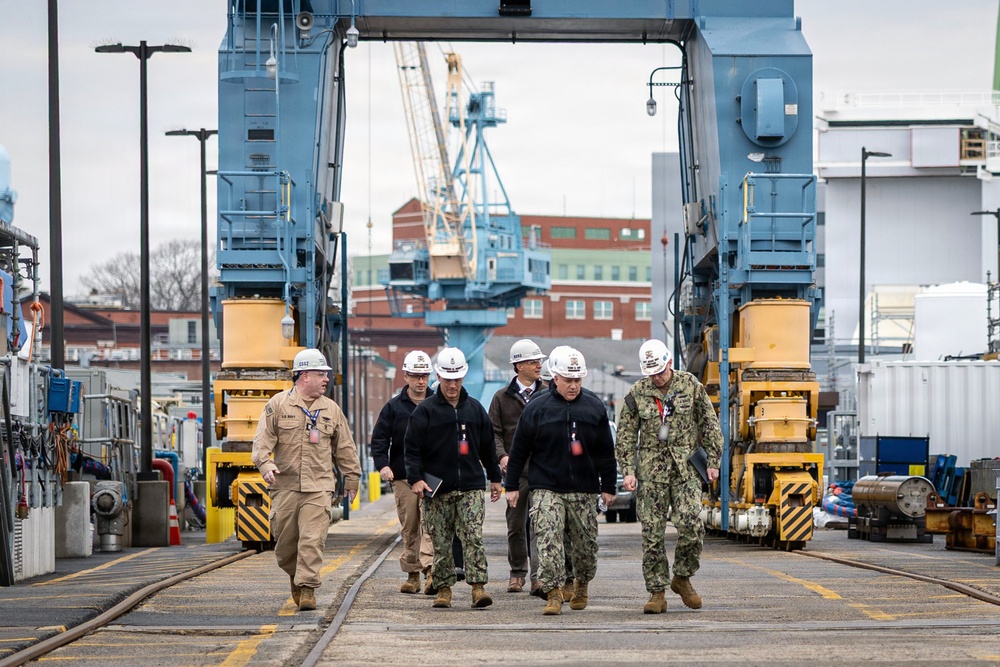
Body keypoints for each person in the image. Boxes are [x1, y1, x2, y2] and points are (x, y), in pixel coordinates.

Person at [504, 346, 617, 616]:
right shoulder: (537, 408)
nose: (574, 385)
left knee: (585, 546)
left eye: (578, 380)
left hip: (584, 488)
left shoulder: (594, 407)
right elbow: (519, 449)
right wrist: (510, 486)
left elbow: (605, 451)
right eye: (568, 380)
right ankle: (553, 593)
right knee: (548, 540)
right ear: (555, 377)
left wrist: (609, 487)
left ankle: (581, 585)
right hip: (546, 487)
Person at [615, 339, 723, 614]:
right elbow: (626, 435)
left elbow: (709, 423)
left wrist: (713, 461)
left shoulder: (691, 386)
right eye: (651, 373)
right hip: (651, 473)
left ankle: (682, 578)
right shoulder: (637, 393)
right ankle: (656, 592)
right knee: (652, 534)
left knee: (691, 526)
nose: (656, 377)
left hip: (685, 470)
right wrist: (627, 469)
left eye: (660, 371)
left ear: (669, 363)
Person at [251, 348, 362, 612]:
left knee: (313, 539)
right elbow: (260, 443)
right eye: (321, 374)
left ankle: (308, 588)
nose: (326, 379)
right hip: (285, 487)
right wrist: (265, 465)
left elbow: (345, 448)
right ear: (303, 376)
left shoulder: (331, 410)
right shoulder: (277, 405)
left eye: (326, 374)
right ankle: (295, 577)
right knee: (286, 545)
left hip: (319, 487)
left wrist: (352, 478)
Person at [404, 347, 503, 609]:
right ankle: (443, 588)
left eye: (457, 379)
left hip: (470, 486)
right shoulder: (425, 412)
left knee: (472, 536)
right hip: (437, 489)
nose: (452, 384)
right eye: (447, 379)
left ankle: (478, 587)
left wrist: (495, 478)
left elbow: (487, 448)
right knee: (441, 540)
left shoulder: (475, 410)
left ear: (463, 377)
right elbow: (411, 449)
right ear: (439, 376)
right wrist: (414, 478)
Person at [371, 349, 435, 595]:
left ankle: (431, 573)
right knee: (410, 526)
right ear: (405, 376)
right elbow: (379, 439)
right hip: (403, 478)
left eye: (424, 376)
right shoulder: (393, 408)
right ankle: (412, 575)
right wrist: (383, 465)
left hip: (432, 477)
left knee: (431, 527)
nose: (421, 381)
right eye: (416, 376)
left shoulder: (438, 403)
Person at [489, 339, 546, 594]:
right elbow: (494, 433)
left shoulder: (547, 394)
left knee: (539, 526)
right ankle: (517, 573)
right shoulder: (502, 398)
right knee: (515, 525)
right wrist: (501, 457)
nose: (539, 365)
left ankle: (538, 576)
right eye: (533, 361)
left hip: (543, 472)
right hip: (516, 474)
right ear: (519, 365)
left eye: (539, 361)